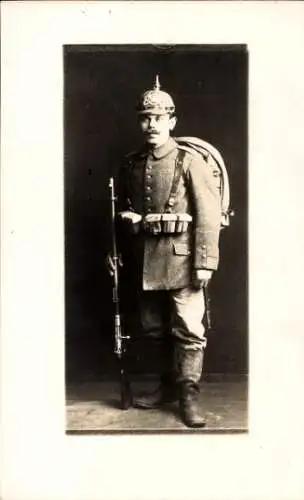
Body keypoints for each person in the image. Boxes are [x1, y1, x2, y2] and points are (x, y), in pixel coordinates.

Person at [107, 76, 222, 428]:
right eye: (145, 117)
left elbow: (208, 215)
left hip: (184, 260)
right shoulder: (131, 164)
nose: (151, 124)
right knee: (153, 328)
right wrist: (116, 250)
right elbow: (119, 212)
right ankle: (166, 386)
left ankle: (188, 396)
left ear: (172, 121)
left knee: (188, 328)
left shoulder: (189, 162)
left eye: (159, 117)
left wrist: (205, 263)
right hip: (145, 261)